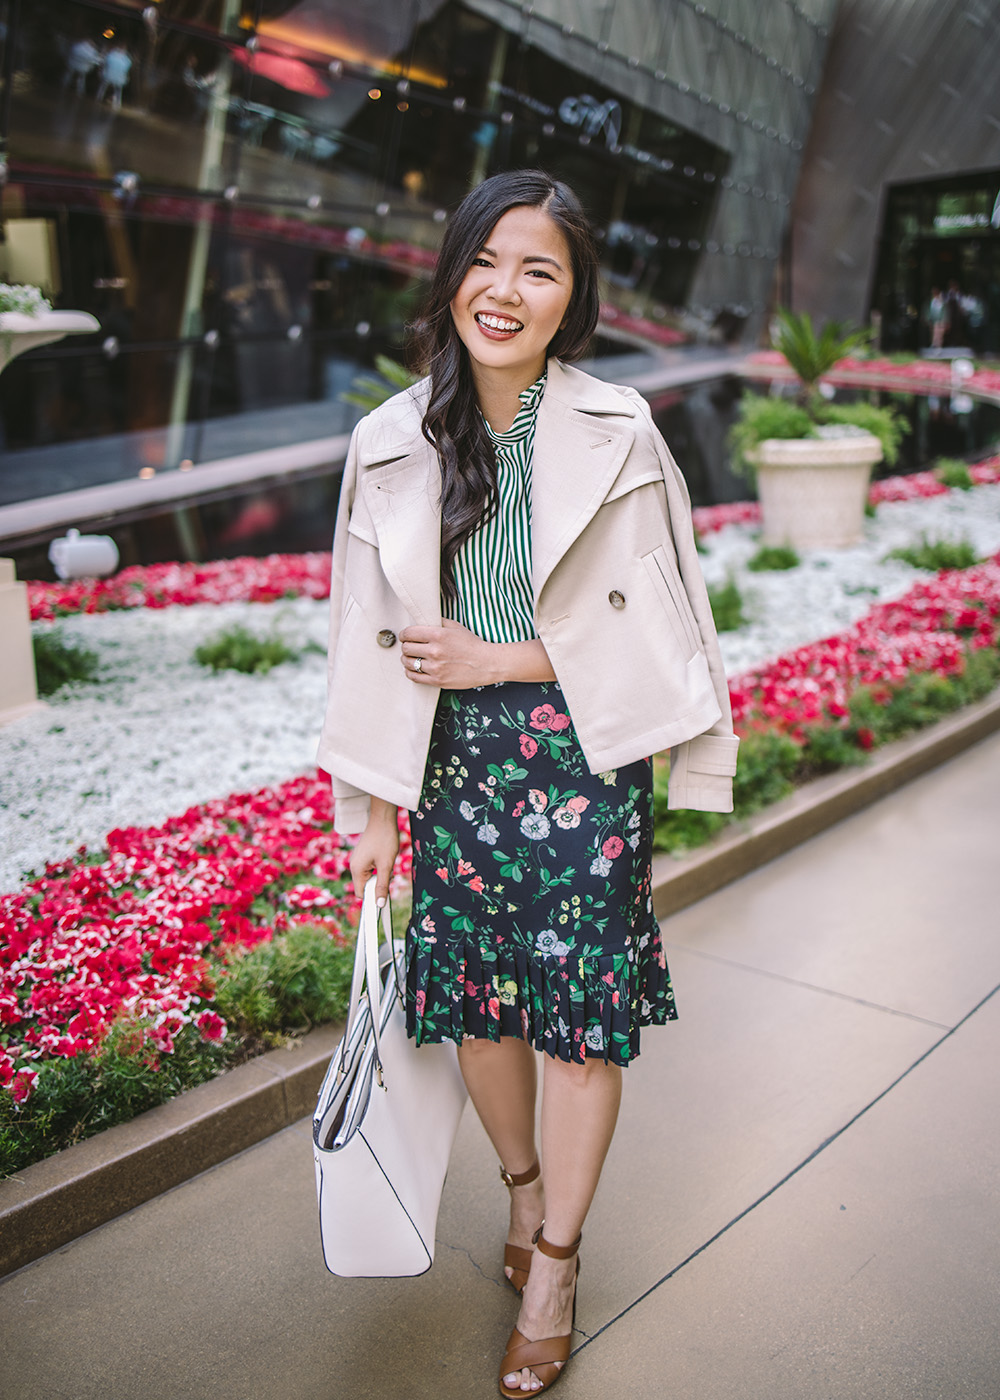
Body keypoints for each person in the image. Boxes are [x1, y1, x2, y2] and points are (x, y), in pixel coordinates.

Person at [317, 169, 738, 1396]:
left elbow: (666, 618)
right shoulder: (389, 438)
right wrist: (368, 806)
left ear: (572, 298)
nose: (504, 290)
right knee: (481, 1012)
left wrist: (506, 656)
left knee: (576, 1021)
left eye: (538, 268)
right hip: (444, 763)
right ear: (453, 270)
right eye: (486, 260)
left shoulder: (617, 428)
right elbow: (357, 631)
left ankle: (554, 1259)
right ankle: (520, 1189)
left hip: (582, 756)